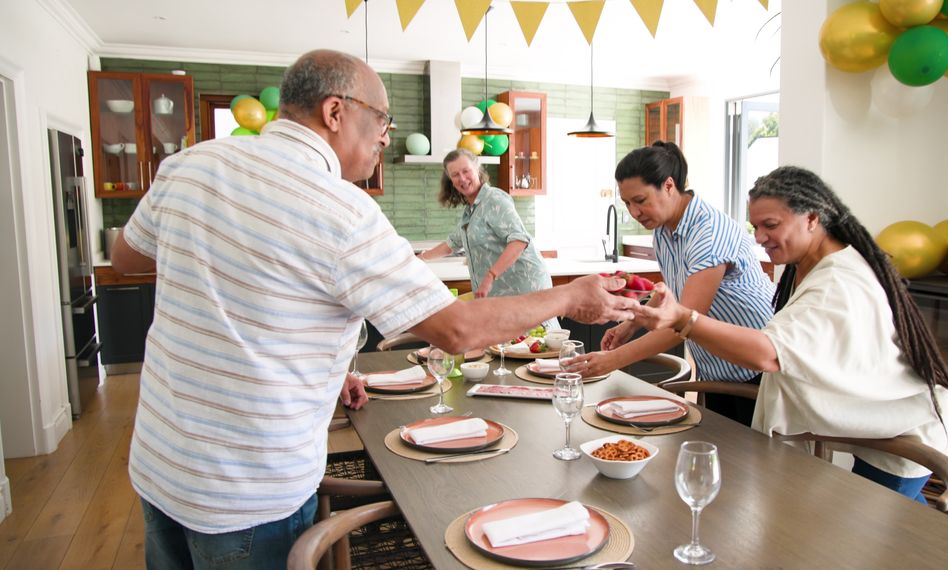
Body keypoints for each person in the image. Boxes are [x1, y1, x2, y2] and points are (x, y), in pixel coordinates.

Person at [110, 49, 636, 570]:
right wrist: (569, 296)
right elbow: (456, 332)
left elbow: (127, 256)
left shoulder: (190, 164)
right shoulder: (341, 208)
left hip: (160, 464)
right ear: (335, 112)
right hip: (248, 488)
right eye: (382, 118)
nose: (386, 134)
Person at [630, 165, 948, 502]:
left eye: (770, 225)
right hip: (881, 424)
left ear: (812, 218)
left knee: (881, 538)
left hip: (903, 433)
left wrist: (684, 318)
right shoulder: (810, 264)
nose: (760, 237)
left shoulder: (836, 282)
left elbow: (768, 353)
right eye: (755, 227)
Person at [567, 141, 774, 425]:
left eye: (640, 201)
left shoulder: (708, 232)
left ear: (668, 185)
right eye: (627, 203)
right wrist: (632, 323)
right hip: (719, 368)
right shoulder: (664, 230)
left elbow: (683, 324)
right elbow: (673, 297)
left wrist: (611, 361)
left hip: (757, 369)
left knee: (756, 463)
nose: (634, 213)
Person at [418, 149, 558, 329]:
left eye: (466, 171)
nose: (462, 178)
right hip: (502, 295)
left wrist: (489, 277)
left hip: (524, 286)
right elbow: (452, 244)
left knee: (536, 346)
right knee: (512, 349)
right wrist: (421, 258)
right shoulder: (471, 209)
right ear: (450, 180)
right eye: (455, 174)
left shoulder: (494, 199)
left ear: (477, 169)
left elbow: (519, 240)